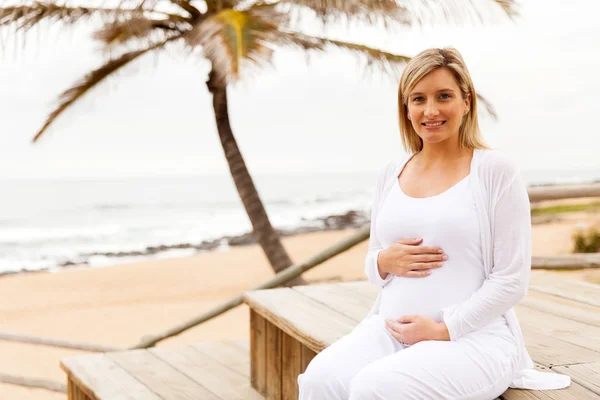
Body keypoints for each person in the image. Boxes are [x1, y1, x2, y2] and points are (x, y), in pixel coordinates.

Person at [297, 48, 571, 400]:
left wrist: (444, 329)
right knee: (319, 380)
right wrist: (383, 261)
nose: (430, 110)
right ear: (406, 108)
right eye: (418, 99)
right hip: (389, 330)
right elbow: (373, 261)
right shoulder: (391, 173)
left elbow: (511, 280)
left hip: (474, 339)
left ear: (466, 102)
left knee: (374, 388)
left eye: (444, 96)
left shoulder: (494, 171)